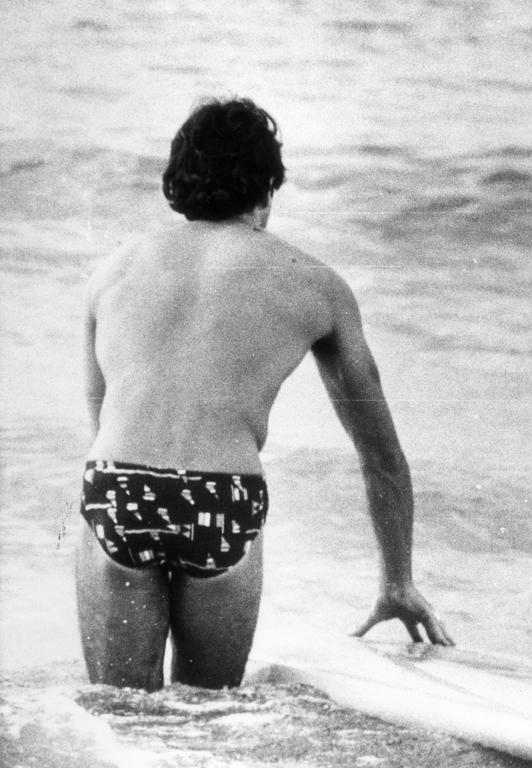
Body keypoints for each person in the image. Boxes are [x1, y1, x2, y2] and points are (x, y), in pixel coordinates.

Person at [75, 97, 453, 692]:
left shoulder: (111, 273)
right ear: (267, 189)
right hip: (221, 501)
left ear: (178, 182)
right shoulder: (317, 286)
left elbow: (100, 423)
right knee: (207, 720)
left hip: (121, 490)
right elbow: (382, 454)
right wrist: (397, 583)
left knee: (114, 717)